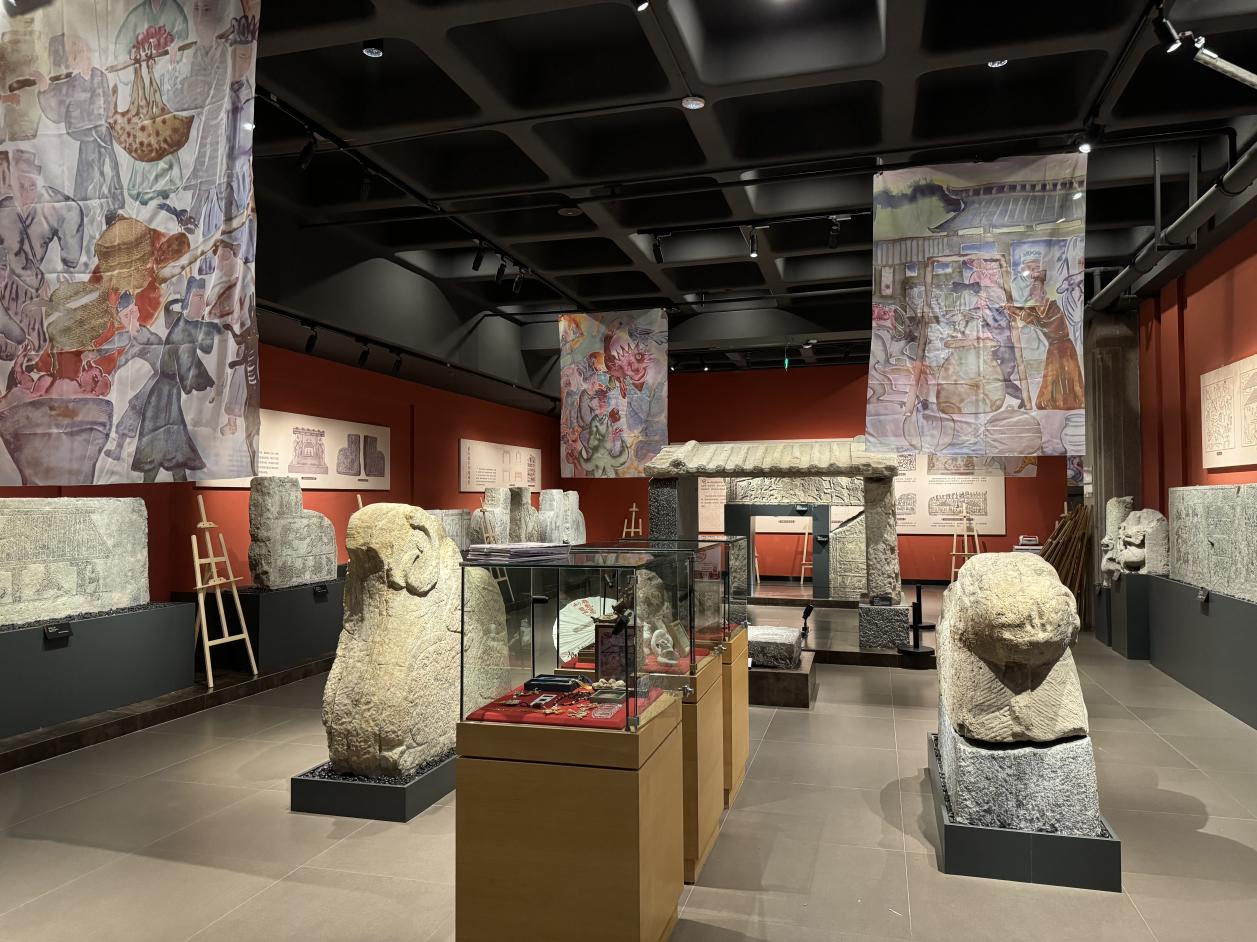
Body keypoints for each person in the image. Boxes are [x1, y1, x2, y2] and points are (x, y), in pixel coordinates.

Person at [121, 276, 222, 481]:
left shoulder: (184, 323)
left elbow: (195, 358)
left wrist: (210, 382)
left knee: (173, 452)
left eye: (204, 298)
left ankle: (170, 490)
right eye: (198, 297)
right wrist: (209, 384)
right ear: (188, 300)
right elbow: (188, 369)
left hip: (167, 395)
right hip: (162, 399)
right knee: (161, 452)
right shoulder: (182, 330)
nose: (203, 304)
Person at [0, 150, 86, 359]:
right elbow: (14, 255)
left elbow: (72, 211)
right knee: (12, 342)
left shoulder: (48, 206)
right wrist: (39, 281)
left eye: (32, 187)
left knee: (36, 343)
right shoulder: (5, 209)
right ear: (12, 184)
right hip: (8, 281)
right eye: (21, 187)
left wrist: (69, 261)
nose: (26, 194)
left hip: (33, 290)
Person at [33, 31, 125, 215]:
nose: (82, 55)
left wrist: (101, 123)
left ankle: (111, 211)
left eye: (82, 51)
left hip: (102, 138)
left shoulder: (100, 76)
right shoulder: (72, 83)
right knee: (87, 182)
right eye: (75, 54)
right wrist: (45, 89)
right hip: (86, 141)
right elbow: (59, 103)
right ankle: (88, 214)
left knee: (107, 176)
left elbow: (105, 107)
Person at [114, 0, 190, 204]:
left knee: (165, 131)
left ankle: (169, 185)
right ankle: (144, 188)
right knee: (144, 136)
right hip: (142, 83)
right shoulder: (136, 15)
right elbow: (120, 48)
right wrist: (133, 55)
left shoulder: (174, 10)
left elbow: (183, 38)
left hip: (165, 81)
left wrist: (174, 48)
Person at [1007, 265, 1085, 411]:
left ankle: (1070, 402)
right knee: (1052, 376)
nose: (1033, 293)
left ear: (1043, 291)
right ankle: (1055, 402)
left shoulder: (1052, 307)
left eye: (1036, 288)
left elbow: (1043, 323)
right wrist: (1012, 308)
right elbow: (1026, 313)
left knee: (1068, 374)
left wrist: (1020, 313)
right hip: (1053, 347)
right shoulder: (1036, 309)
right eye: (1032, 290)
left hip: (1064, 346)